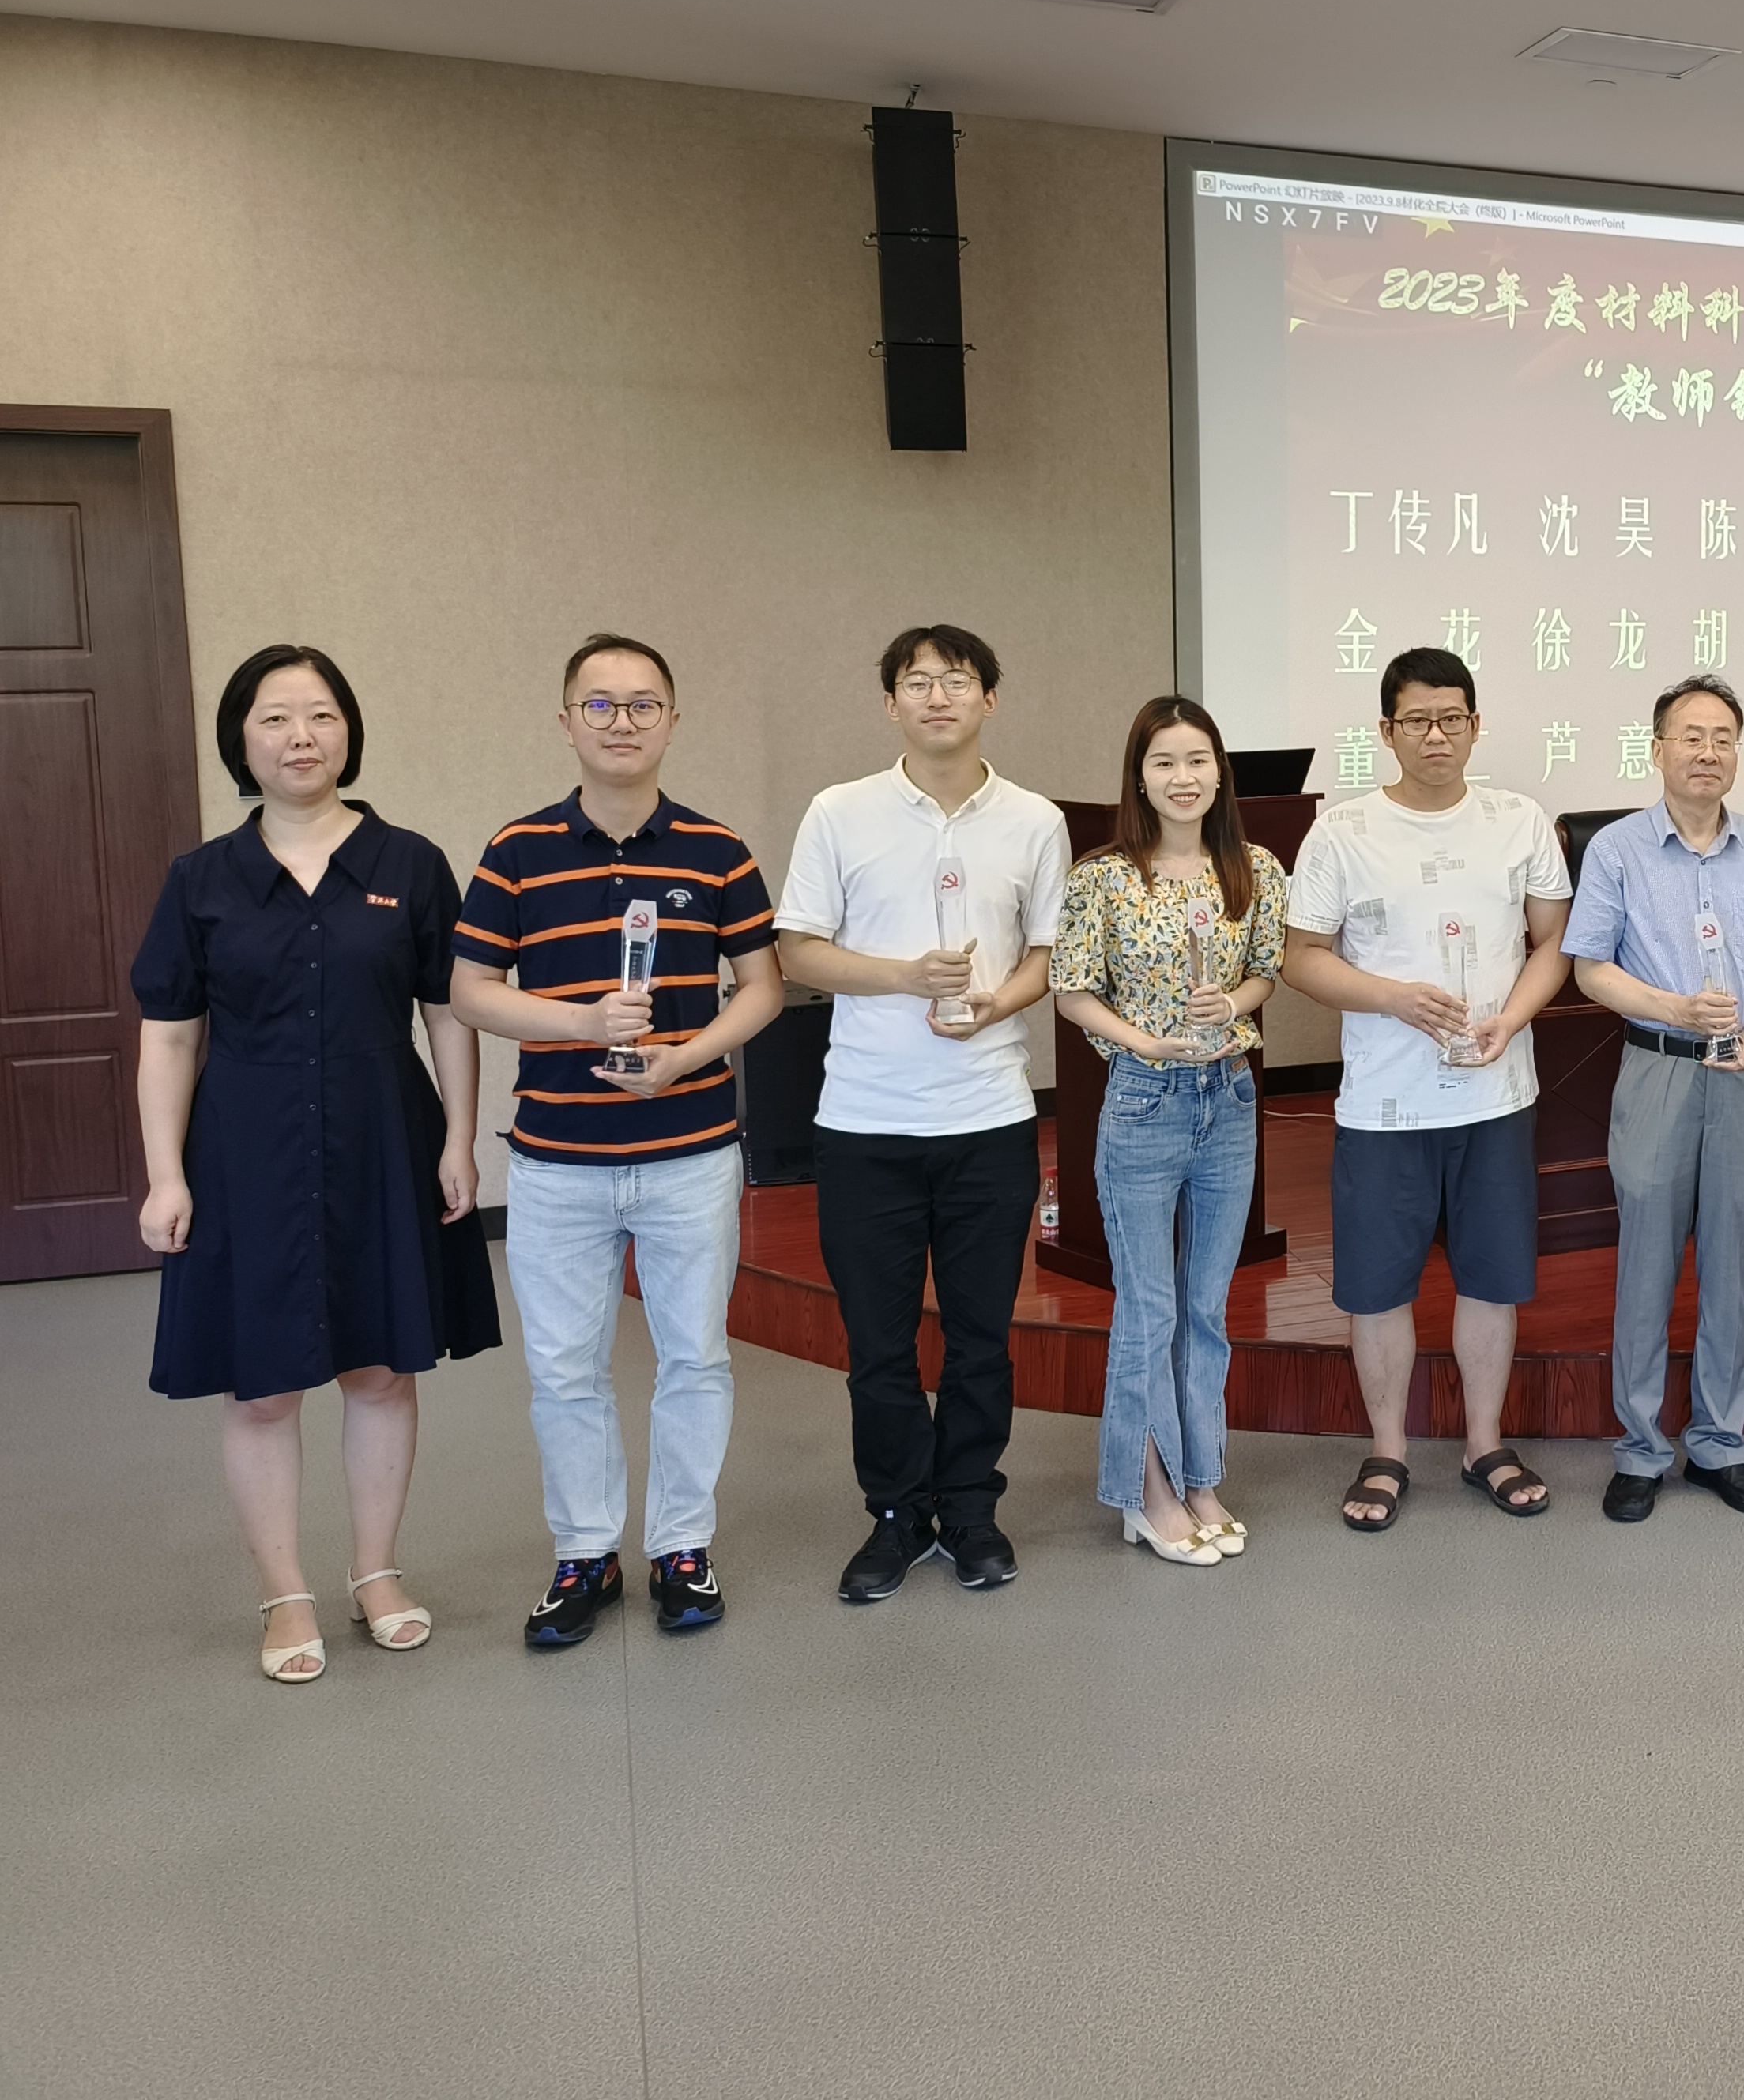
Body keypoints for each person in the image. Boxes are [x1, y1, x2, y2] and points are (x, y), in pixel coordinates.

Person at [131, 645, 496, 1682]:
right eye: (275, 718)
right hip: (243, 1152)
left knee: (380, 1371)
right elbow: (169, 1034)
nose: (301, 736)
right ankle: (284, 1592)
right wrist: (166, 1173)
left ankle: (376, 1572)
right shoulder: (201, 879)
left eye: (322, 715)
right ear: (241, 740)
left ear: (350, 732)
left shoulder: (409, 863)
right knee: (262, 1389)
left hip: (384, 1138)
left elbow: (447, 1012)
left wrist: (459, 1139)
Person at [449, 634, 783, 1644]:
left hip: (691, 1153)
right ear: (566, 724)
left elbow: (762, 988)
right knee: (564, 1369)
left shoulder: (718, 850)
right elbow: (472, 993)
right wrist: (582, 1023)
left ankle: (682, 1548)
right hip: (556, 1161)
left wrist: (685, 1058)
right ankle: (586, 1553)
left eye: (642, 704)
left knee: (696, 1359)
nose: (621, 722)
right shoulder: (515, 851)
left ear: (672, 722)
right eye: (599, 705)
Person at [778, 626, 1072, 1598]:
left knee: (984, 1336)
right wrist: (903, 977)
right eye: (917, 681)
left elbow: (1047, 954)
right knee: (880, 1344)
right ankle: (897, 1514)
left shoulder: (1033, 819)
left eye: (957, 680)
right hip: (866, 1122)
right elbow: (798, 950)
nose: (937, 696)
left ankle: (972, 1508)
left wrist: (998, 1002)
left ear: (991, 698)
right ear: (890, 703)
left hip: (989, 1115)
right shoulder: (840, 811)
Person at [1282, 647, 1572, 1530]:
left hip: (1496, 1095)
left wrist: (1511, 1019)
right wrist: (1392, 998)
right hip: (1385, 1103)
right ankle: (1388, 1451)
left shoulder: (1518, 820)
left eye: (1451, 718)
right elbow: (1301, 958)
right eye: (1416, 720)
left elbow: (1553, 944)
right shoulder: (1343, 832)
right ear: (1387, 731)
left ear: (1476, 726)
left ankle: (1485, 1443)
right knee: (1378, 1287)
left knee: (1492, 1278)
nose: (1435, 735)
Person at [1563, 674, 1744, 1522]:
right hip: (1659, 1069)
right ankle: (1640, 1450)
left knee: (1731, 1264)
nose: (1708, 752)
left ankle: (1719, 1445)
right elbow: (1589, 968)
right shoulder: (1617, 850)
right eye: (1691, 736)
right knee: (1646, 1263)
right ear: (1658, 750)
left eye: (1723, 738)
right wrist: (1672, 1008)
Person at [1049, 695, 1286, 1565]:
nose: (1183, 778)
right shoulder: (1104, 875)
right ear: (1140, 778)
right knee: (1148, 1310)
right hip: (1145, 1100)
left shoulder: (1253, 868)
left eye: (1197, 760)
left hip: (1229, 1099)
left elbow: (1267, 972)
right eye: (1164, 763)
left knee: (1206, 1309)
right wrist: (1144, 1041)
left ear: (1219, 772)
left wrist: (1235, 1002)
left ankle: (1201, 1477)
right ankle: (1144, 1492)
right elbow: (1071, 989)